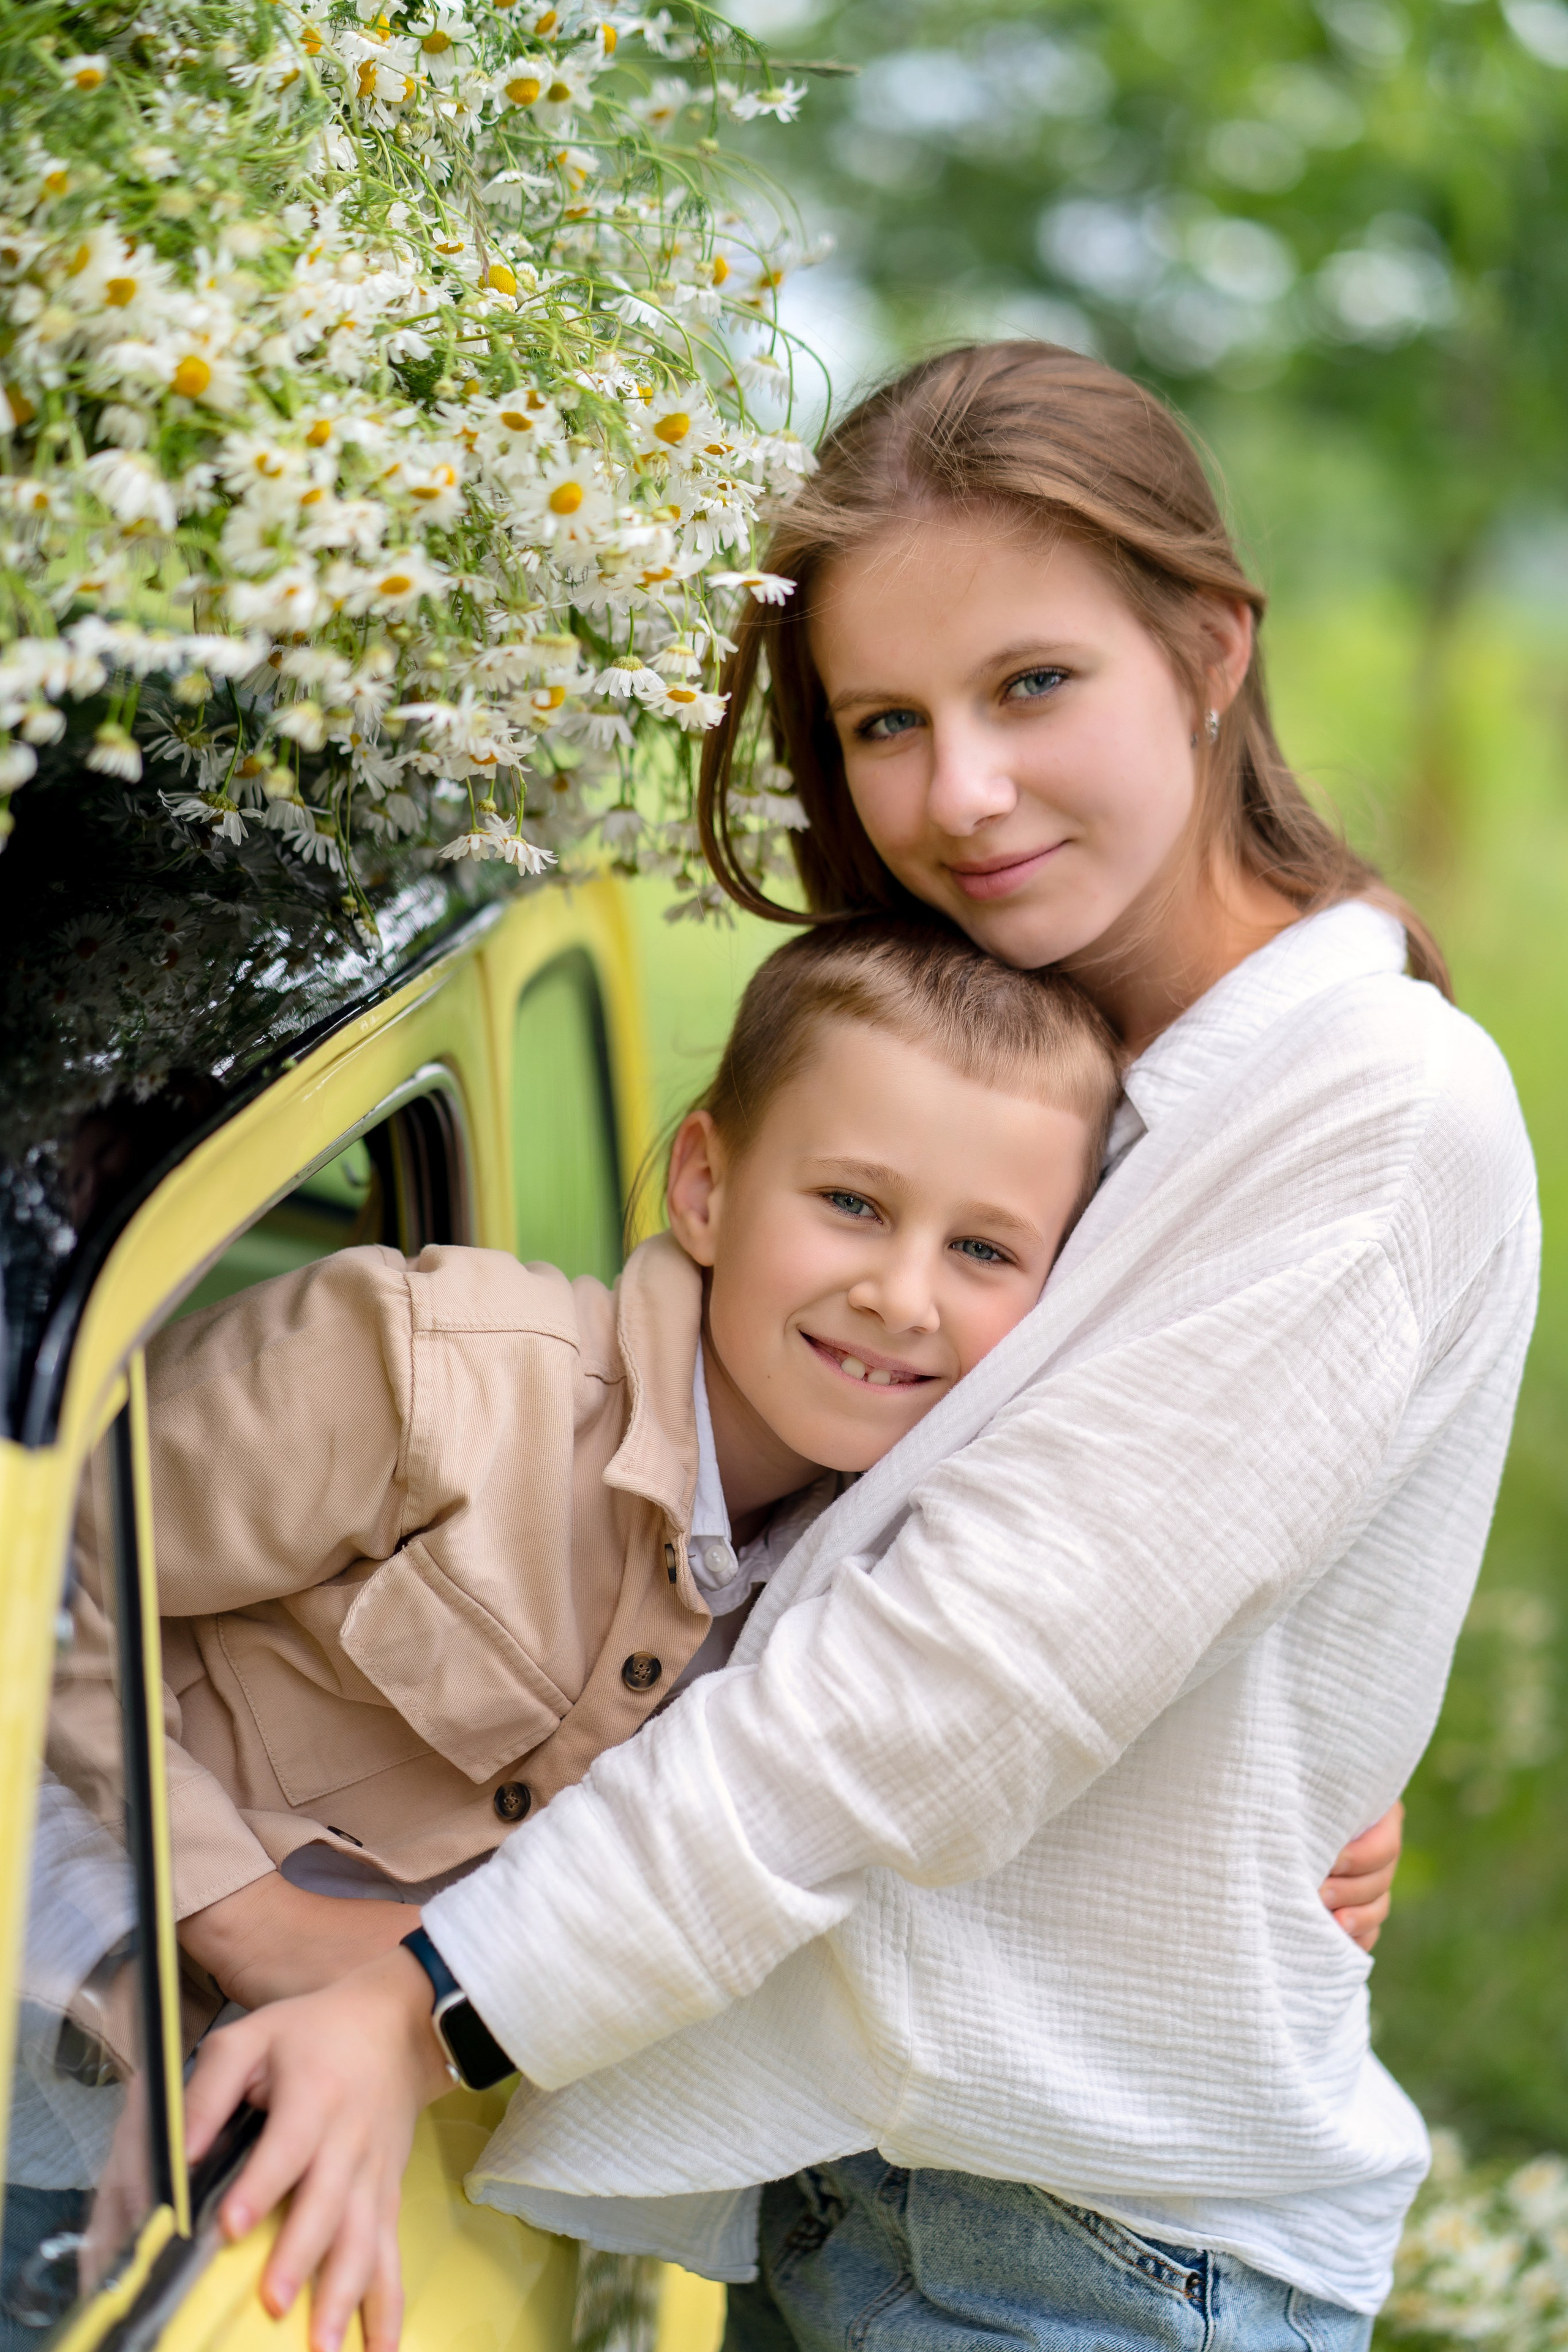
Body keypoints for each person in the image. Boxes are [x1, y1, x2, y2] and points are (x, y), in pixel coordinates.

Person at [183, 341, 1527, 2352]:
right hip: (886, 2203)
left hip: (1081, 2263)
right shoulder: (1045, 1068)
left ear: (1215, 649)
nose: (956, 794)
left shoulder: (1363, 1109)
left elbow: (943, 1688)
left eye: (1033, 688)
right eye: (884, 721)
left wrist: (419, 2001)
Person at [107, 922, 1123, 2009]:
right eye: (852, 1205)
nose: (903, 1298)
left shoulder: (899, 1581)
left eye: (983, 1251)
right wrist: (237, 1911)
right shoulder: (428, 1369)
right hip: (72, 1977)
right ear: (705, 1188)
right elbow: (42, 1572)